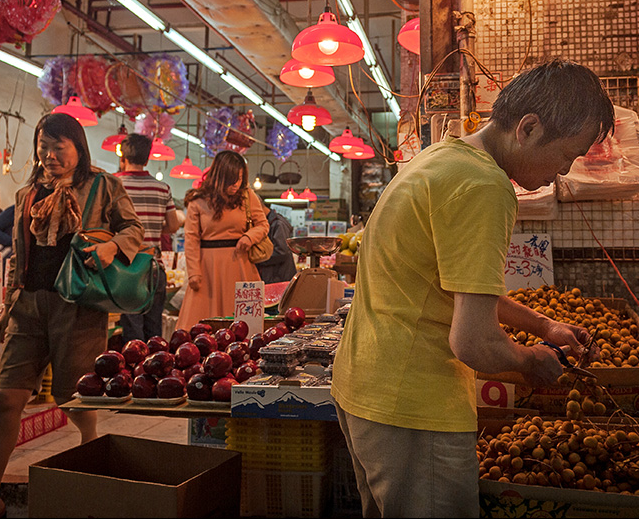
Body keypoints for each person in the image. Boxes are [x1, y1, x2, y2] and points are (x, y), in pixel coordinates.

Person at [330, 60, 615, 518]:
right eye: (567, 155)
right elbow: (473, 342)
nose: (563, 171)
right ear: (528, 128)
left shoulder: (441, 158)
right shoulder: (484, 186)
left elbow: (455, 286)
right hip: (415, 406)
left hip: (368, 388)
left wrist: (542, 324)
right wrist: (530, 362)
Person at [0, 113, 143, 519]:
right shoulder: (27, 194)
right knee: (8, 397)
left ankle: (91, 458)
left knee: (75, 398)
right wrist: (9, 308)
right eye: (43, 146)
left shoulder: (103, 186)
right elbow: (19, 255)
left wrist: (112, 247)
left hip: (78, 307)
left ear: (78, 147)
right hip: (29, 305)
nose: (49, 155)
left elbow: (134, 229)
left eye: (58, 146)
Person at [179, 150, 268, 327]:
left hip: (241, 265)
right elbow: (191, 239)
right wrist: (194, 272)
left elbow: (263, 225)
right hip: (206, 268)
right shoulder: (198, 200)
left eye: (241, 178)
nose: (237, 184)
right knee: (200, 326)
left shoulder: (247, 196)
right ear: (220, 176)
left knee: (244, 325)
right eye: (232, 178)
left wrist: (249, 237)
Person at [115, 133, 182, 342]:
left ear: (123, 157)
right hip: (154, 264)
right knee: (153, 328)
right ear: (147, 159)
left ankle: (134, 373)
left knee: (132, 328)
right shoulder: (162, 188)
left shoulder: (115, 184)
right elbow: (173, 225)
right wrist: (150, 228)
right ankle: (156, 370)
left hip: (125, 264)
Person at [254, 195, 297, 284]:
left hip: (279, 279)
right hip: (272, 278)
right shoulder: (267, 223)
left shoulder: (278, 223)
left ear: (258, 207)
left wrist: (258, 258)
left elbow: (281, 252)